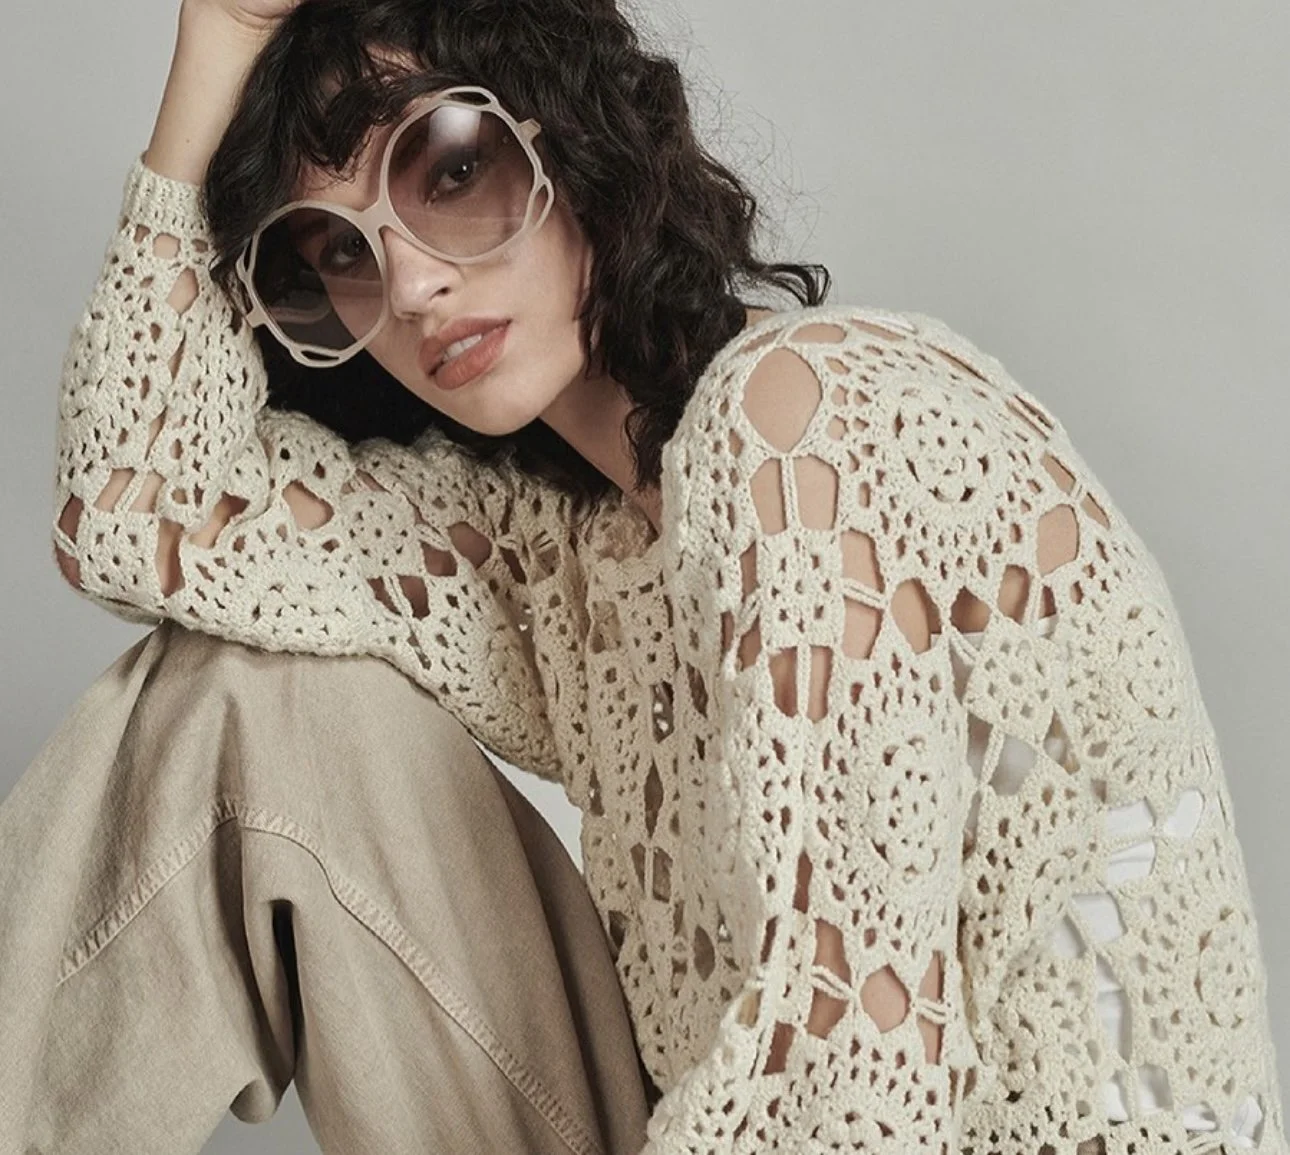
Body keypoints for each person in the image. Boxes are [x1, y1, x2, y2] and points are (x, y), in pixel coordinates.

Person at [1, 0, 1285, 1152]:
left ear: (575, 140)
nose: (412, 281)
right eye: (332, 255)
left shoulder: (810, 423)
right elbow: (137, 505)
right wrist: (220, 35)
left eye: (450, 170)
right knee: (257, 700)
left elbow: (850, 1091)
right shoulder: (555, 556)